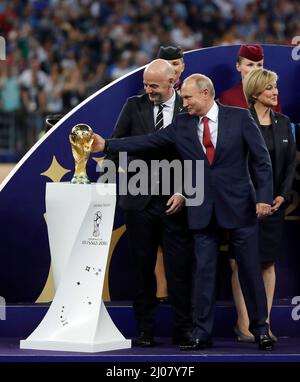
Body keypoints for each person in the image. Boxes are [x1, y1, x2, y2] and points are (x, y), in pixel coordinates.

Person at [92, 73, 275, 351]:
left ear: (205, 94)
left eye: (187, 97)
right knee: (203, 273)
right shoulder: (182, 124)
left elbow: (261, 161)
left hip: (239, 208)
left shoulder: (239, 117)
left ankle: (261, 329)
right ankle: (201, 333)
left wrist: (263, 198)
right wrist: (107, 145)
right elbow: (148, 141)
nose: (184, 102)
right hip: (201, 208)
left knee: (249, 270)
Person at [102, 59, 193, 348]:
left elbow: (197, 155)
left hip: (178, 201)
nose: (149, 90)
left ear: (172, 83)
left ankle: (184, 330)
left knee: (180, 269)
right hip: (138, 200)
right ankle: (145, 330)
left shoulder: (187, 108)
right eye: (145, 84)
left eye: (154, 85)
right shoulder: (133, 105)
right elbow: (116, 146)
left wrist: (185, 190)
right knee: (142, 269)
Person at [229, 68, 296, 343]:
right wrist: (255, 198)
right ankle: (244, 323)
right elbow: (236, 164)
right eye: (269, 88)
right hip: (245, 205)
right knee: (240, 262)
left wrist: (282, 194)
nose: (275, 92)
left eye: (276, 87)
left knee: (267, 263)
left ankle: (263, 323)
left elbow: (290, 163)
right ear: (255, 92)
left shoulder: (284, 123)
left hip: (275, 206)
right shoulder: (240, 121)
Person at [155, 45, 185, 303]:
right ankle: (161, 289)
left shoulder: (191, 99)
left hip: (185, 180)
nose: (173, 68)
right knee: (155, 241)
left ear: (182, 67)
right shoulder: (145, 100)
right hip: (150, 179)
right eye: (168, 63)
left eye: (176, 63)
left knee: (182, 241)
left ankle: (180, 292)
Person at [219, 44, 282, 112]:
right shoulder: (228, 97)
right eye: (250, 65)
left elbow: (279, 121)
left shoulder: (271, 94)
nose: (256, 69)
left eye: (259, 65)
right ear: (238, 66)